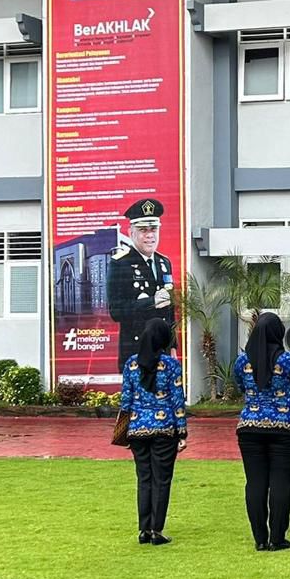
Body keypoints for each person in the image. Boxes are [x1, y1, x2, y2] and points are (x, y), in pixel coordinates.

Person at [232, 312, 290, 552]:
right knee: (282, 482)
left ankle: (260, 538)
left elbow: (240, 386)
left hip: (249, 428)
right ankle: (278, 537)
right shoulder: (288, 361)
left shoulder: (242, 362)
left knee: (255, 482)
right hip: (286, 429)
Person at [121, 318, 187, 545]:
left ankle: (143, 529)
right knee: (162, 480)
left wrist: (123, 433)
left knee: (144, 478)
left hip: (137, 429)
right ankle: (156, 530)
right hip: (164, 430)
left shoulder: (131, 364)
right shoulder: (171, 366)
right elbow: (178, 401)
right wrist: (182, 433)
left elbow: (126, 401)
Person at [107, 197, 176, 367]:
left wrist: (173, 346)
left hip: (163, 350)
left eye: (154, 229)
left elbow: (170, 311)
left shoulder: (164, 263)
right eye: (143, 230)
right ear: (131, 233)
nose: (150, 235)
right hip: (135, 351)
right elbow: (116, 311)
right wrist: (151, 302)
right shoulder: (120, 263)